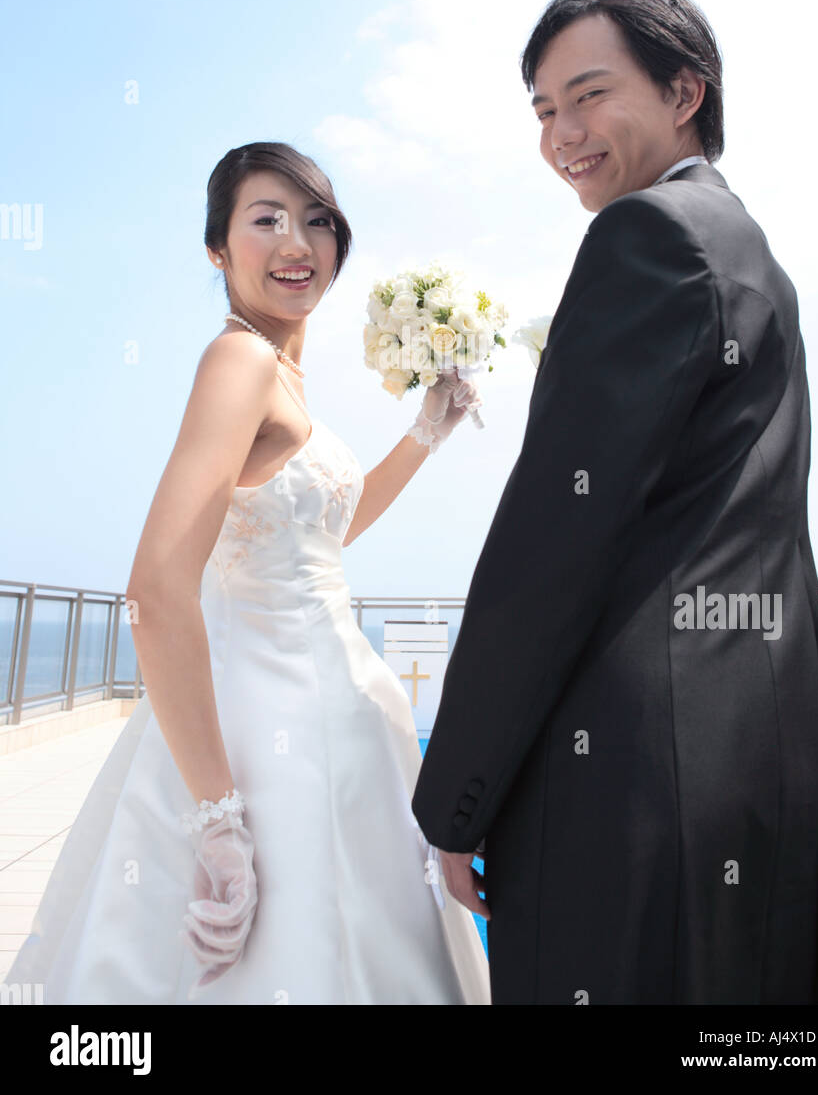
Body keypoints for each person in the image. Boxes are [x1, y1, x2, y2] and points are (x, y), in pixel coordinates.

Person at [412, 0, 818, 1005]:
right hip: (760, 749)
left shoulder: (644, 237)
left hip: (626, 773)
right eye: (539, 110)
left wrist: (456, 795)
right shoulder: (747, 251)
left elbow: (552, 542)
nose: (560, 133)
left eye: (586, 94)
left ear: (682, 91)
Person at [7, 141, 490, 1005]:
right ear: (218, 250)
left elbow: (319, 536)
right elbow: (157, 591)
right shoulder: (242, 362)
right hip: (276, 737)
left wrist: (427, 429)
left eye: (315, 221)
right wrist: (219, 821)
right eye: (265, 220)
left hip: (337, 723)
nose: (295, 242)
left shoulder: (288, 375)